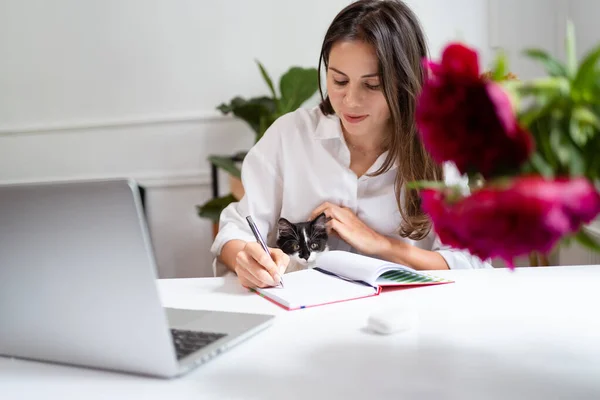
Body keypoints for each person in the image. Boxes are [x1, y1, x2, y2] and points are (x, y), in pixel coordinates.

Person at [210, 0, 491, 288]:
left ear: (405, 82)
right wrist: (245, 258)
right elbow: (236, 230)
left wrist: (380, 244)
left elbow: (471, 261)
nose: (351, 101)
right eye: (339, 81)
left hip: (406, 321)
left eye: (372, 85)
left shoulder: (439, 148)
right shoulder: (290, 135)